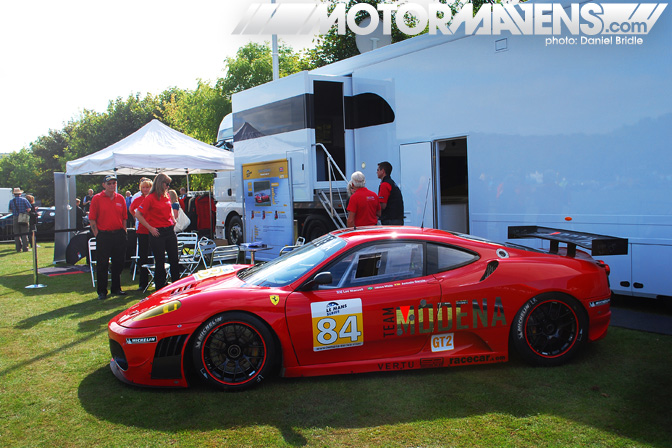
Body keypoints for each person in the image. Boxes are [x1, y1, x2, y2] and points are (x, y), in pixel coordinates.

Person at [135, 173, 180, 291]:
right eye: (167, 184)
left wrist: (173, 219)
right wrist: (150, 228)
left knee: (174, 258)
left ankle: (177, 284)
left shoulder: (166, 196)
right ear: (161, 183)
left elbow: (169, 207)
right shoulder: (150, 198)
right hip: (157, 231)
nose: (168, 186)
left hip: (169, 229)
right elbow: (138, 214)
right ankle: (160, 286)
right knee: (160, 260)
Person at [88, 175, 128, 300]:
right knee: (102, 264)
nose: (112, 185)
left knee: (118, 263)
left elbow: (124, 217)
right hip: (103, 235)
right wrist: (97, 234)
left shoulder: (120, 198)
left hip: (118, 234)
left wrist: (124, 231)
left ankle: (116, 288)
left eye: (114, 183)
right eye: (109, 183)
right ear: (104, 185)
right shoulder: (97, 198)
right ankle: (102, 291)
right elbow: (92, 218)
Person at [129, 178, 153, 291]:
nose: (145, 189)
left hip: (154, 229)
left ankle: (156, 280)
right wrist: (137, 217)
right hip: (142, 231)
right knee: (143, 256)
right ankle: (143, 283)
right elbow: (131, 209)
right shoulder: (138, 199)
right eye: (143, 187)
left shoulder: (154, 198)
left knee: (155, 255)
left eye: (147, 187)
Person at [376, 161, 405, 225]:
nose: (376, 172)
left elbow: (382, 205)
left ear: (383, 171)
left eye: (378, 170)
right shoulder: (392, 183)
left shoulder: (385, 185)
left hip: (390, 220)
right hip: (397, 219)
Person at [8, 187, 31, 252]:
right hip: (23, 217)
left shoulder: (11, 201)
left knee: (17, 234)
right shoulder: (24, 200)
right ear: (20, 193)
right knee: (24, 233)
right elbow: (29, 209)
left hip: (15, 217)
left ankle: (18, 248)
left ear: (14, 194)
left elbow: (10, 210)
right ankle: (25, 248)